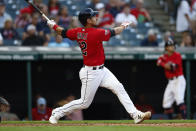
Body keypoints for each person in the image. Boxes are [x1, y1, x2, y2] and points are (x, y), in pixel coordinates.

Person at [47, 8, 151, 124]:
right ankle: (57, 112)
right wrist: (124, 26)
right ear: (88, 20)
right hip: (90, 73)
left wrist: (54, 26)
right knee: (84, 103)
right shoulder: (96, 33)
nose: (96, 17)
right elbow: (114, 31)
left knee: (119, 88)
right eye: (93, 16)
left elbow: (63, 32)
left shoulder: (77, 31)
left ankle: (135, 114)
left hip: (102, 70)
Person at [157, 39, 187, 119]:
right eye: (170, 45)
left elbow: (171, 68)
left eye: (173, 45)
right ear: (166, 48)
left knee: (179, 100)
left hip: (178, 80)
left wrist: (162, 63)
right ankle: (171, 122)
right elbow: (158, 62)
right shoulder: (165, 56)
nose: (172, 47)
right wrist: (164, 62)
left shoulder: (177, 55)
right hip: (170, 82)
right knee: (166, 104)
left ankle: (185, 119)